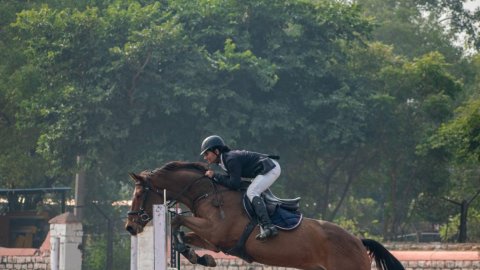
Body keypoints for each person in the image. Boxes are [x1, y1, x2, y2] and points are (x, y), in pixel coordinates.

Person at [200, 135, 280, 240]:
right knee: (250, 191)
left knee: (252, 192)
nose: (205, 157)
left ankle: (268, 226)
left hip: (270, 168)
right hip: (263, 169)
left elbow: (234, 184)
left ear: (216, 151)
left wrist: (215, 175)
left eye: (207, 153)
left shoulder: (230, 159)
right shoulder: (224, 160)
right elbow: (233, 181)